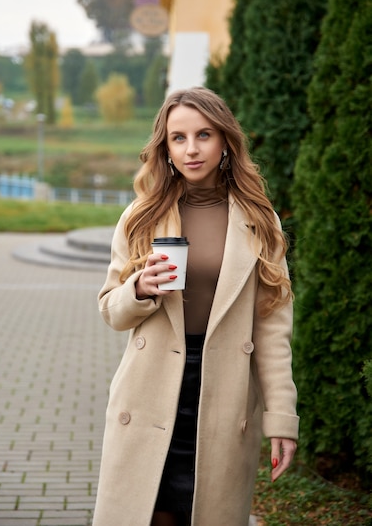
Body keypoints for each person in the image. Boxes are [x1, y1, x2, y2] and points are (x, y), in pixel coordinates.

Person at [92, 87, 299, 526]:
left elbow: (272, 327)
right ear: (164, 147)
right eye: (178, 138)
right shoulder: (141, 215)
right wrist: (140, 289)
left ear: (225, 140)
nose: (191, 149)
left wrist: (282, 418)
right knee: (151, 513)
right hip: (150, 393)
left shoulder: (260, 220)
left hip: (223, 394)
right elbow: (111, 309)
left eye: (204, 135)